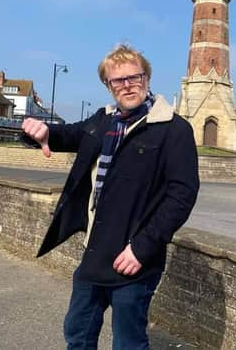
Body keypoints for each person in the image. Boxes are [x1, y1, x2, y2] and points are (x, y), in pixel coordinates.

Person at [21, 44, 200, 349]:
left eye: (134, 77)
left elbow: (181, 195)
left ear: (147, 77)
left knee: (128, 343)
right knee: (77, 334)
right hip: (94, 254)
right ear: (108, 85)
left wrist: (142, 248)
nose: (127, 85)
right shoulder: (103, 122)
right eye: (118, 80)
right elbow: (65, 135)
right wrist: (38, 131)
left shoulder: (174, 129)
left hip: (135, 260)